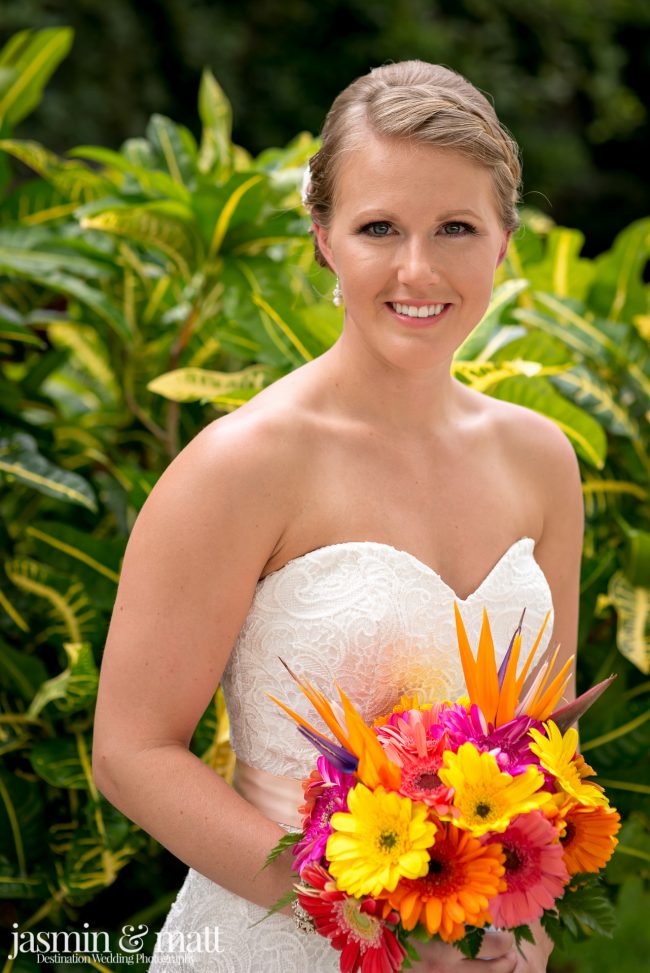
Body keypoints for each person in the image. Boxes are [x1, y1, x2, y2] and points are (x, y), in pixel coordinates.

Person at [92, 60, 583, 972]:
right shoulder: (240, 466)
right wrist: (379, 919)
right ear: (322, 237)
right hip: (275, 938)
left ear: (506, 240)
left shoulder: (543, 461)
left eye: (457, 228)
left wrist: (518, 911)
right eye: (379, 228)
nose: (417, 268)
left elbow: (547, 745)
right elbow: (131, 752)